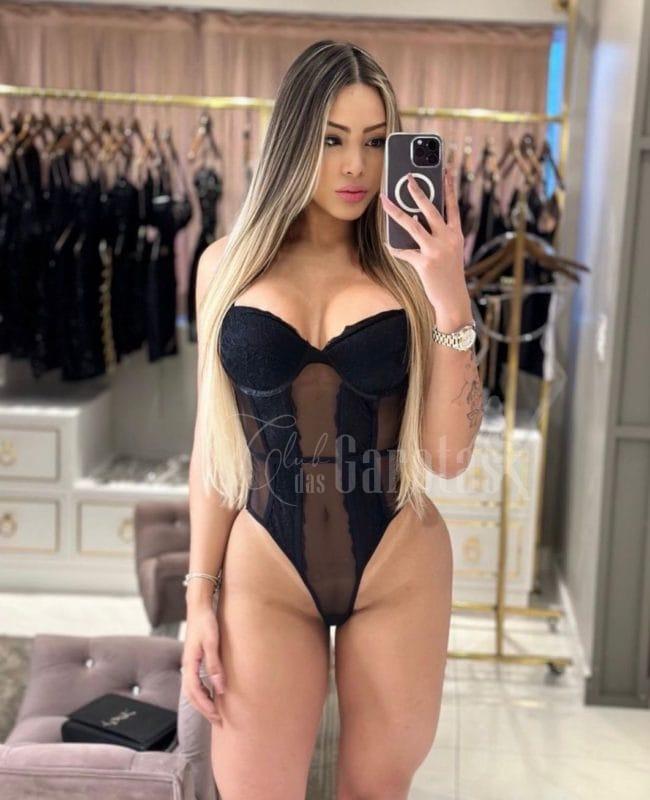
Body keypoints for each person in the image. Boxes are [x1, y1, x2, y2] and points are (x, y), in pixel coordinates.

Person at [181, 39, 482, 800]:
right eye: (332, 140)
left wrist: (451, 299)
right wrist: (198, 599)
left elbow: (448, 457)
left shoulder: (415, 275)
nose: (356, 166)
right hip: (266, 565)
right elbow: (211, 447)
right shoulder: (225, 265)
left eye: (377, 143)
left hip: (397, 564)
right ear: (293, 142)